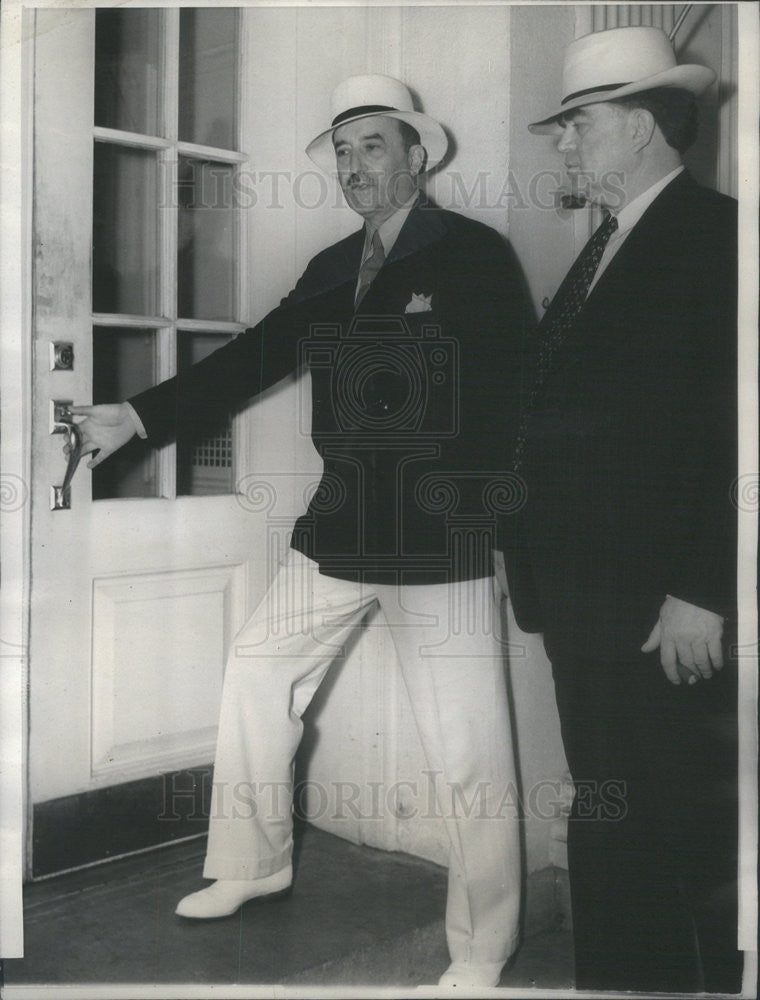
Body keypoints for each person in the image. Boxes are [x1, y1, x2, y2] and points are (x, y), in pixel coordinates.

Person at [70, 75, 528, 989]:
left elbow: (514, 402)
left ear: (417, 156)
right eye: (343, 152)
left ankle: (483, 945)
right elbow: (257, 355)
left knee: (468, 748)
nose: (355, 168)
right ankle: (254, 863)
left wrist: (475, 509)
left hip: (440, 536)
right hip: (342, 521)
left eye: (373, 148)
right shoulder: (331, 267)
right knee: (256, 667)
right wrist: (139, 415)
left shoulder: (475, 255)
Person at [501, 26, 741, 993]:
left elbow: (744, 433)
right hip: (583, 601)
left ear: (642, 127)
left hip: (661, 611)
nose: (563, 145)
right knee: (607, 815)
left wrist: (705, 589)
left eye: (578, 124)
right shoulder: (604, 247)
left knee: (690, 832)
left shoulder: (719, 238)